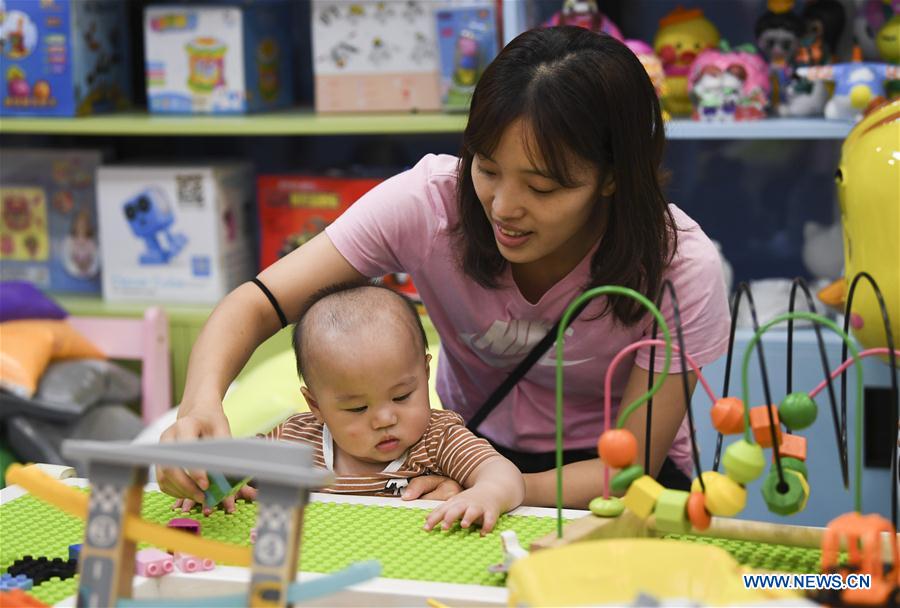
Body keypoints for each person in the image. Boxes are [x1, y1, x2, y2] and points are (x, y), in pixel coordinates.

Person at [158, 26, 731, 511]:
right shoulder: (426, 205)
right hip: (465, 446)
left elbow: (627, 468)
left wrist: (497, 488)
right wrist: (201, 404)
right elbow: (258, 302)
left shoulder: (678, 266)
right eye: (487, 168)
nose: (504, 207)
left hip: (600, 479)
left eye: (542, 186)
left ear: (612, 178)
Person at [269, 283, 524, 533]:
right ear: (316, 405)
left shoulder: (437, 439)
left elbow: (501, 472)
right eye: (358, 408)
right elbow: (234, 467)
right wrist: (233, 486)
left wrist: (485, 493)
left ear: (424, 374)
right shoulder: (295, 439)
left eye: (401, 397)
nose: (384, 419)